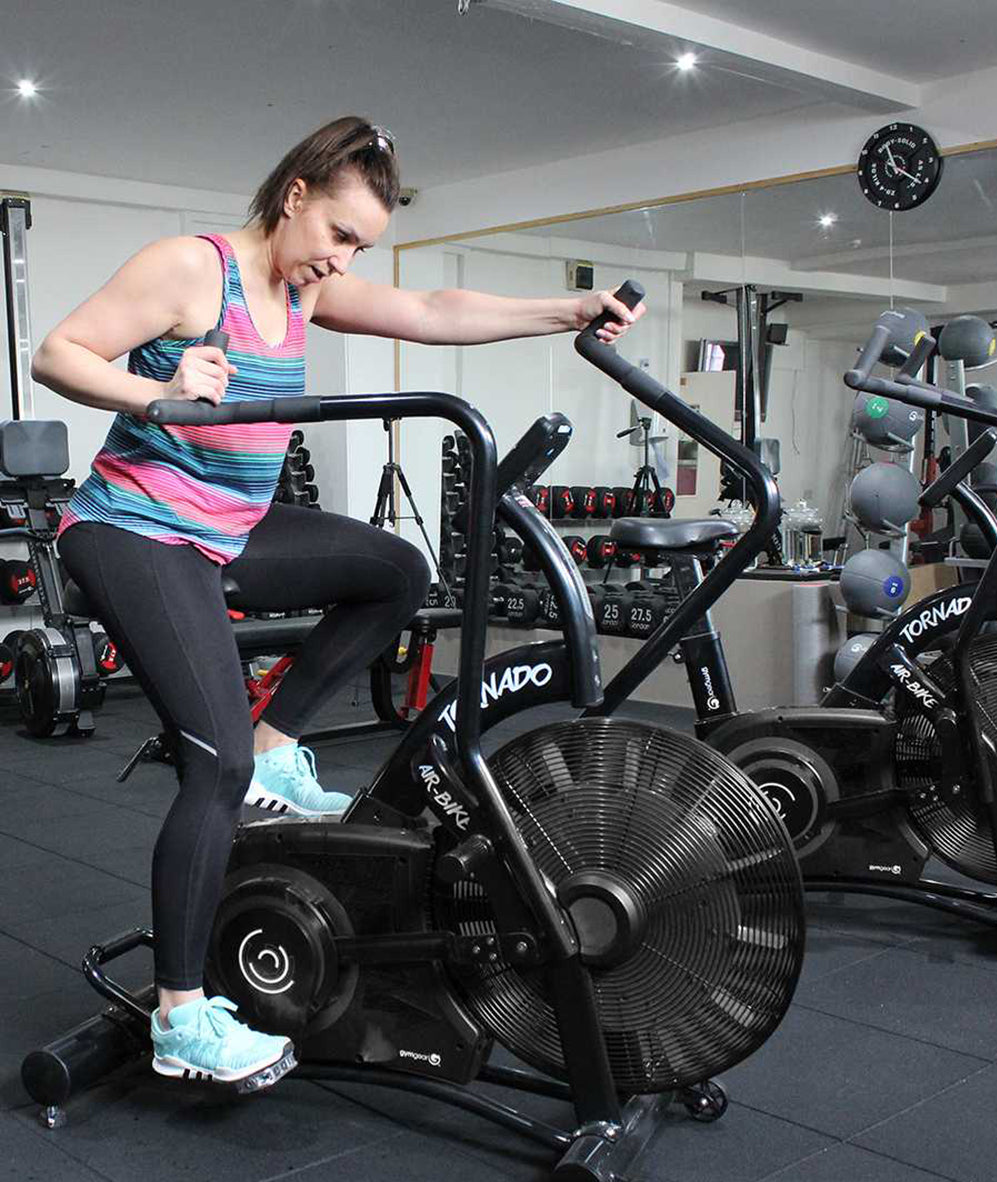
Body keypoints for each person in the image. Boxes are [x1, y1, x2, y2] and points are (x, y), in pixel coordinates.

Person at [31, 115, 645, 1090]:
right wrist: (159, 393)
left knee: (398, 571)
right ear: (296, 195)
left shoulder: (300, 292)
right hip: (134, 532)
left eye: (361, 246)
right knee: (213, 765)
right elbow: (57, 354)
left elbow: (436, 310)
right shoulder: (194, 269)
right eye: (339, 235)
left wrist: (565, 311)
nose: (344, 258)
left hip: (228, 527)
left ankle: (280, 743)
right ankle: (183, 1017)